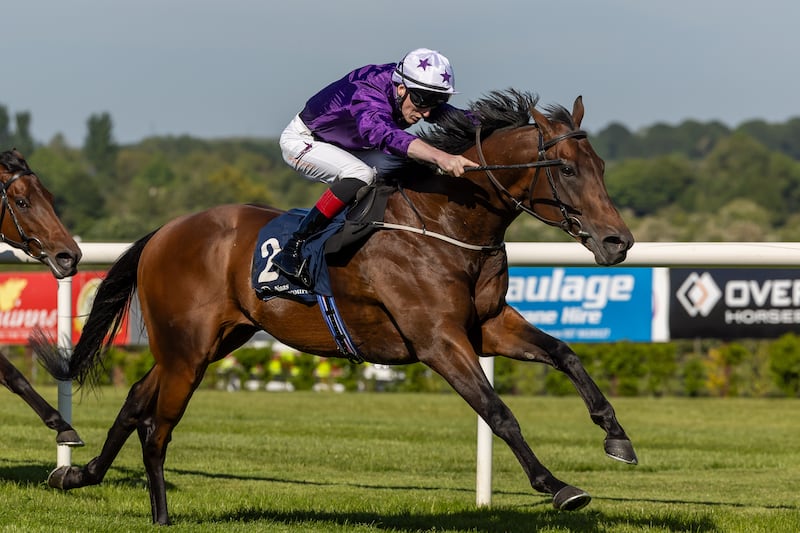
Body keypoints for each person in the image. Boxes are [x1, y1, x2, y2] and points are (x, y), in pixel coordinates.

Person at [273, 47, 479, 284]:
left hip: (351, 145)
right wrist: (441, 157)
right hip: (305, 140)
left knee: (408, 169)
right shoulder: (367, 93)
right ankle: (294, 246)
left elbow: (459, 119)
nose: (427, 112)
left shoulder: (412, 91)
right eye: (424, 102)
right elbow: (385, 136)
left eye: (438, 101)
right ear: (401, 88)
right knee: (360, 174)